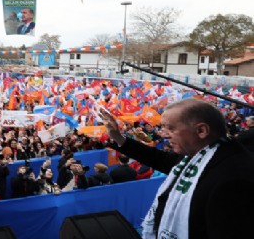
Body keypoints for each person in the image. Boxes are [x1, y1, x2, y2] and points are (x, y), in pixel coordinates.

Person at [100, 98, 254, 239]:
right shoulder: (201, 153)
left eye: (171, 129)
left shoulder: (235, 178)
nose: (164, 135)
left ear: (201, 131)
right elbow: (160, 159)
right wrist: (118, 138)